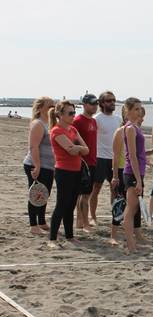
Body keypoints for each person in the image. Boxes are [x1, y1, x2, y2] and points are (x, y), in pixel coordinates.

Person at [118, 99, 153, 253]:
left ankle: (132, 241)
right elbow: (132, 156)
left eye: (139, 109)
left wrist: (151, 152)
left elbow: (139, 153)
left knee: (134, 209)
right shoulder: (129, 128)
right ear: (127, 111)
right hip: (131, 172)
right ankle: (130, 245)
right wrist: (138, 180)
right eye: (135, 109)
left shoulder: (136, 128)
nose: (138, 111)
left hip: (137, 172)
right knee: (130, 209)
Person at [48, 100, 90, 248]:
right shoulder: (56, 130)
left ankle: (69, 236)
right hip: (63, 171)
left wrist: (77, 148)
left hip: (76, 171)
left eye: (74, 112)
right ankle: (52, 239)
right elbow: (70, 150)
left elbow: (86, 149)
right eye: (70, 113)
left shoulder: (73, 130)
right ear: (60, 114)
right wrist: (78, 148)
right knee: (62, 204)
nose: (73, 115)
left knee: (71, 205)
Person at [23, 97, 55, 235]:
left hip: (49, 166)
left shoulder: (51, 123)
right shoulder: (38, 124)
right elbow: (33, 146)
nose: (52, 108)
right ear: (41, 108)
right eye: (49, 106)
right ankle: (33, 225)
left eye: (53, 106)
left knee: (45, 194)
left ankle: (41, 221)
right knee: (36, 193)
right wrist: (37, 166)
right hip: (35, 164)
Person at [90, 91, 121, 226]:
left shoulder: (118, 119)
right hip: (100, 157)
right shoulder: (97, 119)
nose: (112, 103)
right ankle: (93, 217)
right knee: (95, 188)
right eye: (109, 100)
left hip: (115, 158)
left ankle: (116, 217)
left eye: (113, 100)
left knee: (115, 188)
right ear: (102, 103)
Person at [72, 94, 98, 232]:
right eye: (92, 103)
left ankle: (80, 222)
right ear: (85, 104)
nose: (95, 106)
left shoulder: (93, 121)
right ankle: (84, 223)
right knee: (84, 194)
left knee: (85, 193)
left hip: (93, 161)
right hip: (83, 162)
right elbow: (73, 141)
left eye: (96, 104)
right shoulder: (78, 121)